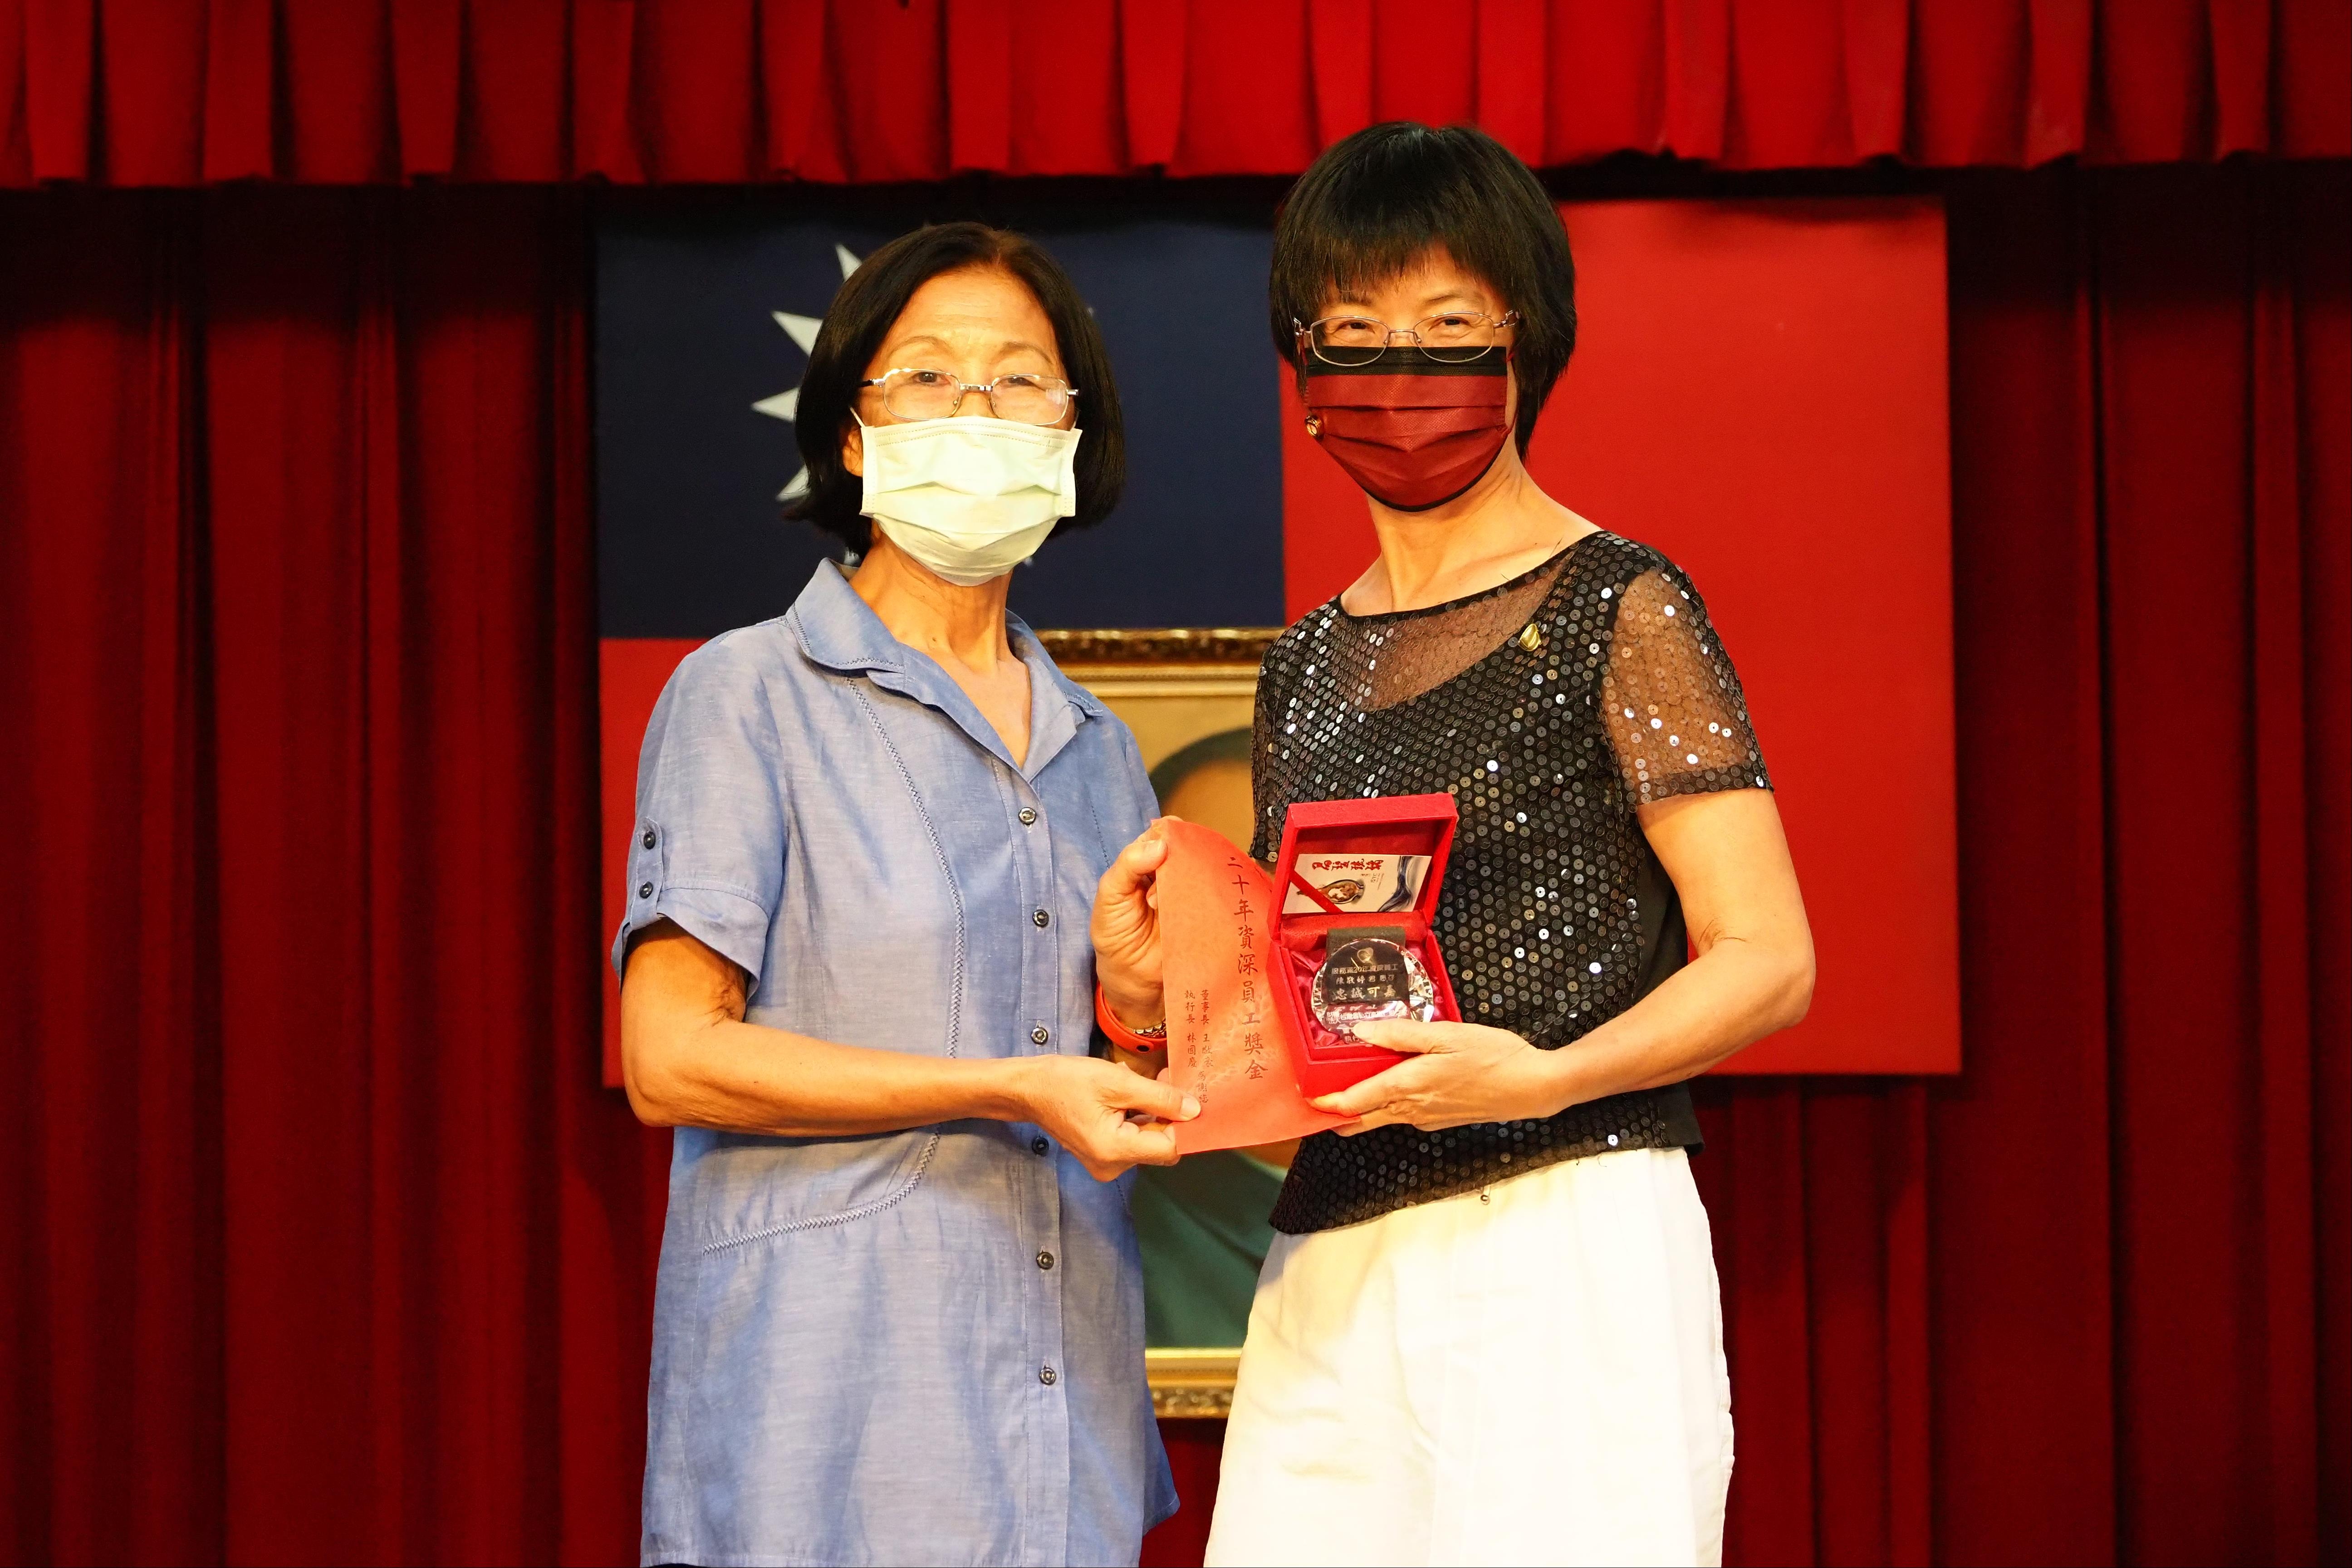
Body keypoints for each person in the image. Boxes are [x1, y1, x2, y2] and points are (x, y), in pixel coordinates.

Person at [1094, 124, 1817, 1566]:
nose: (1398, 373)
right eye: (1354, 335)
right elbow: (1303, 1045)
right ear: (1304, 369)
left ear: (1526, 344)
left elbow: (1768, 958)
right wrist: (1143, 1002)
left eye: (1445, 330)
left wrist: (1545, 1076)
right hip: (1334, 1254)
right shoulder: (1304, 665)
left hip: (1566, 1231)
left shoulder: (1621, 605)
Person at [614, 221, 1196, 1568]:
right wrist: (1009, 1085)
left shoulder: (1102, 745)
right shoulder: (744, 693)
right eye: (929, 376)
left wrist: (1132, 1007)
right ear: (855, 434)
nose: (976, 411)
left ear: (1071, 434)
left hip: (1063, 1422)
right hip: (826, 1414)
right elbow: (669, 1058)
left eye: (1019, 380)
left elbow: (1125, 1086)